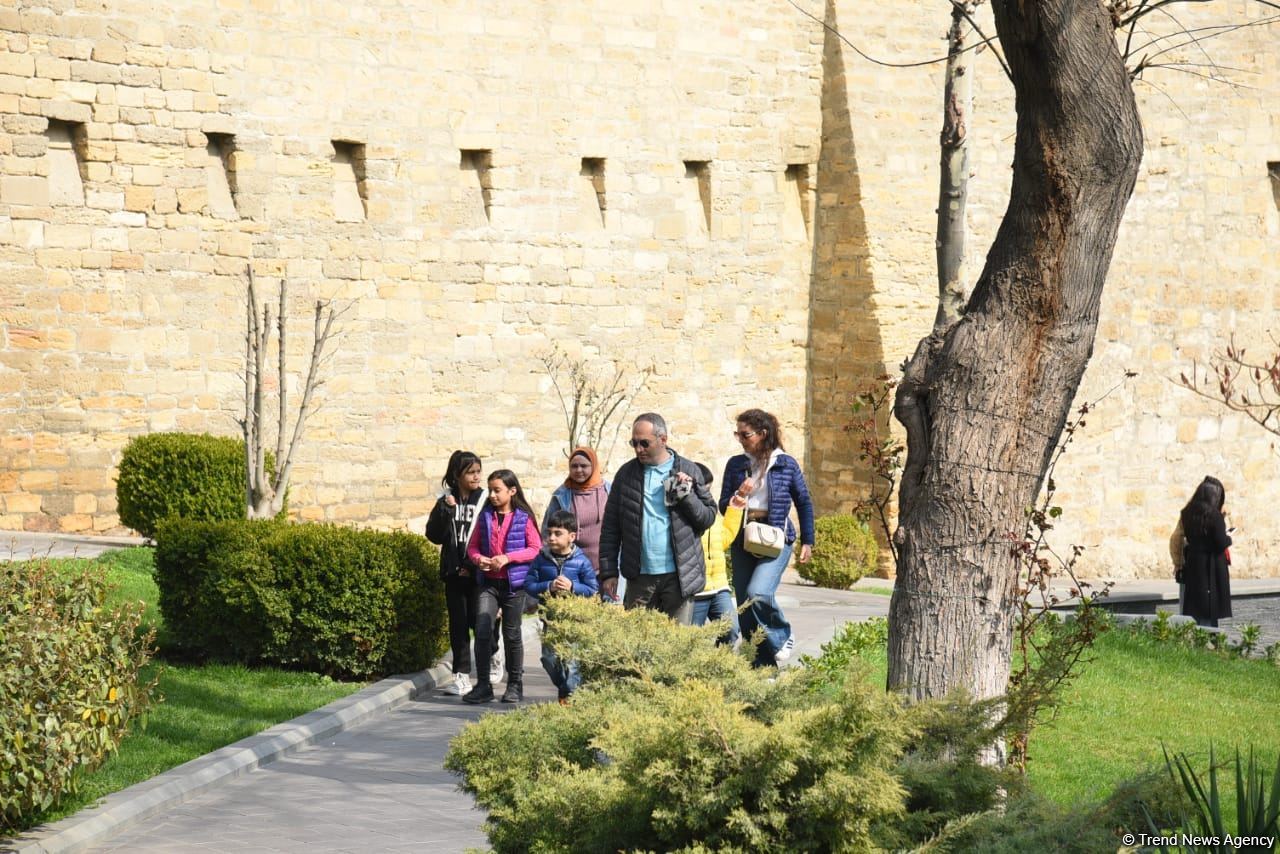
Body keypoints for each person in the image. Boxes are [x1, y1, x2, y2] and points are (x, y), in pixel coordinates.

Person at [597, 413, 717, 624]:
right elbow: (610, 527)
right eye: (634, 443)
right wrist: (608, 572)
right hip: (639, 575)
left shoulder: (687, 470)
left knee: (676, 647)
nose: (638, 449)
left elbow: (707, 518)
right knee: (637, 647)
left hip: (679, 576)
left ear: (663, 440)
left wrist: (686, 495)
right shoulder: (626, 474)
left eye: (645, 443)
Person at [719, 408, 815, 667]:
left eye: (745, 434)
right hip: (744, 538)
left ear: (763, 434)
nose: (740, 439)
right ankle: (761, 667)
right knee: (745, 605)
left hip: (776, 537)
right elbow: (722, 506)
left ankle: (783, 635)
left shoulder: (785, 464)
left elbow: (804, 502)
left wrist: (808, 540)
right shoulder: (736, 465)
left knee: (758, 593)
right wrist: (739, 496)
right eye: (737, 434)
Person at [463, 469, 542, 704]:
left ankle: (515, 685)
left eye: (497, 490)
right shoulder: (486, 516)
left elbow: (535, 548)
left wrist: (508, 558)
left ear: (512, 491)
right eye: (490, 490)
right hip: (488, 584)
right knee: (483, 629)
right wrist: (479, 560)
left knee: (512, 634)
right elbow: (473, 546)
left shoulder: (523, 518)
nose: (493, 495)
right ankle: (483, 685)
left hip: (514, 586)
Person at [424, 450, 487, 696]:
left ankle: (493, 655)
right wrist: (446, 511)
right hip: (453, 574)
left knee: (481, 621)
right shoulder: (446, 500)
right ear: (456, 475)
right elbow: (434, 535)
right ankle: (461, 676)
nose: (476, 477)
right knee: (459, 626)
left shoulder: (484, 500)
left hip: (479, 573)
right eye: (470, 472)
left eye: (478, 471)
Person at [524, 509, 599, 703]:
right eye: (549, 533)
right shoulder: (541, 559)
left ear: (572, 537)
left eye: (558, 533)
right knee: (549, 659)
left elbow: (592, 589)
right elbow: (530, 585)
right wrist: (548, 586)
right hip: (550, 620)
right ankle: (566, 689)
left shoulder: (581, 561)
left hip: (574, 621)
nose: (552, 537)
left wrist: (572, 587)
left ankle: (570, 699)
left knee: (572, 663)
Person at [682, 463, 743, 647]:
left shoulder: (712, 512)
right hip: (695, 590)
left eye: (707, 488)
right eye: (702, 487)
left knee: (731, 630)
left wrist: (735, 510)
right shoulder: (682, 513)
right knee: (692, 642)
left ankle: (718, 668)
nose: (705, 492)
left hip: (719, 587)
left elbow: (723, 540)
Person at [542, 446, 611, 584]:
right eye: (574, 466)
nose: (579, 470)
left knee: (609, 605)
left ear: (594, 466)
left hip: (606, 568)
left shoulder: (609, 491)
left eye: (584, 466)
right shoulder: (561, 495)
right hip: (572, 570)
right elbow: (547, 531)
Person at [1175, 475, 1233, 628]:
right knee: (1209, 607)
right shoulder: (1214, 516)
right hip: (1211, 566)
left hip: (1194, 562)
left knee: (1196, 603)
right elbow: (1220, 542)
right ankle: (1209, 642)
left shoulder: (1186, 512)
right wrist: (1229, 539)